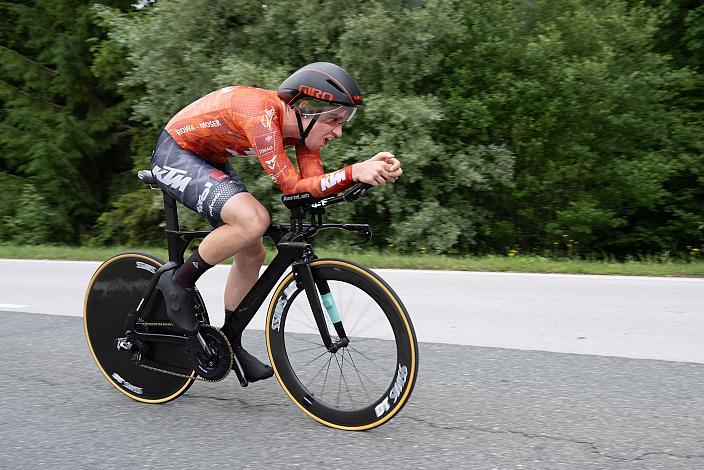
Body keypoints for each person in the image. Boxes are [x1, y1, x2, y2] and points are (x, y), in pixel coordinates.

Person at [150, 62, 402, 383]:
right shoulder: (261, 114)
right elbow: (292, 187)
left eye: (344, 121)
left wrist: (367, 174)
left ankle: (229, 338)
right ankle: (179, 282)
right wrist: (354, 171)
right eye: (335, 120)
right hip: (177, 152)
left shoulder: (302, 133)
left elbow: (313, 186)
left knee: (252, 250)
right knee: (253, 219)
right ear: (305, 109)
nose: (339, 131)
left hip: (210, 159)